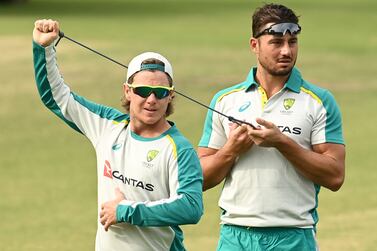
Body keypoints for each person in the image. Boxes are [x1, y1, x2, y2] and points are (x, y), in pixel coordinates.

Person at [32, 19, 203, 251]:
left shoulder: (178, 148)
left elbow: (191, 207)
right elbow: (56, 98)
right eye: (143, 91)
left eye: (161, 92)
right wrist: (43, 48)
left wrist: (126, 211)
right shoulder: (106, 126)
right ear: (128, 91)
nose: (151, 100)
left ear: (170, 97)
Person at [198, 3, 345, 250]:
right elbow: (198, 179)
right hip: (235, 236)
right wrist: (231, 150)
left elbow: (335, 176)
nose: (286, 51)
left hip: (294, 236)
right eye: (276, 42)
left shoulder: (319, 101)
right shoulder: (226, 100)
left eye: (293, 42)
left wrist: (281, 142)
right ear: (254, 45)